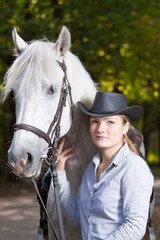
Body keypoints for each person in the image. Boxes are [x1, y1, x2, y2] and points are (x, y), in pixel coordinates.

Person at [47, 91, 154, 240]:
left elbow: (135, 227)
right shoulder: (91, 169)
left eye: (110, 122)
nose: (100, 129)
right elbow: (75, 218)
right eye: (95, 121)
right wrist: (60, 171)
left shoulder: (133, 168)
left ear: (125, 127)